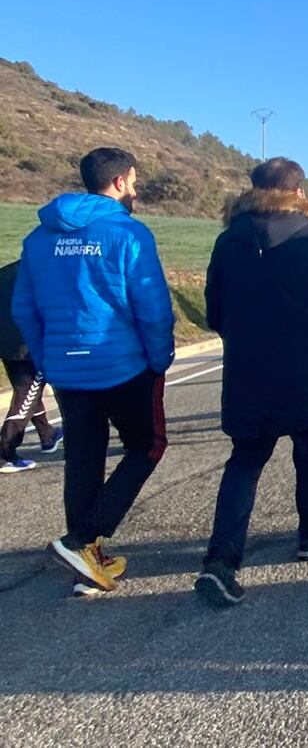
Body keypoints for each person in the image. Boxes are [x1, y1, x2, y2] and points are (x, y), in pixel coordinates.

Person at [195, 158, 308, 607]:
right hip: (307, 368)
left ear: (254, 190)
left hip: (248, 370)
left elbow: (214, 311)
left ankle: (222, 560)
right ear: (299, 192)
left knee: (245, 460)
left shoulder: (229, 240)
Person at [13, 147, 175, 595]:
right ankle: (81, 540)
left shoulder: (37, 238)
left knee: (83, 458)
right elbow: (153, 309)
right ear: (121, 181)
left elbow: (24, 309)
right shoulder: (129, 233)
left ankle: (88, 561)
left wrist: (47, 359)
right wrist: (159, 358)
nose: (136, 189)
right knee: (148, 446)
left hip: (65, 368)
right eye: (135, 181)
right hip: (123, 365)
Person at [0, 260, 63, 472]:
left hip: (5, 342)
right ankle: (5, 453)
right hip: (26, 345)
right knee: (26, 396)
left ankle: (47, 435)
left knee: (28, 392)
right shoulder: (43, 274)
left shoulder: (6, 272)